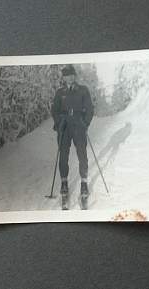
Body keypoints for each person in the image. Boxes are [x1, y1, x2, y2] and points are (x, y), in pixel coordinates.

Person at [51, 65, 94, 210]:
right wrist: (59, 122)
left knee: (82, 154)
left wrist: (85, 123)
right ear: (63, 78)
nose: (69, 78)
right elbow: (54, 110)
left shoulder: (83, 90)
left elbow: (90, 108)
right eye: (66, 76)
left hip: (78, 126)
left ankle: (83, 184)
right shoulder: (60, 92)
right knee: (63, 155)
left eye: (71, 75)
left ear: (74, 76)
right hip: (64, 126)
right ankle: (64, 183)